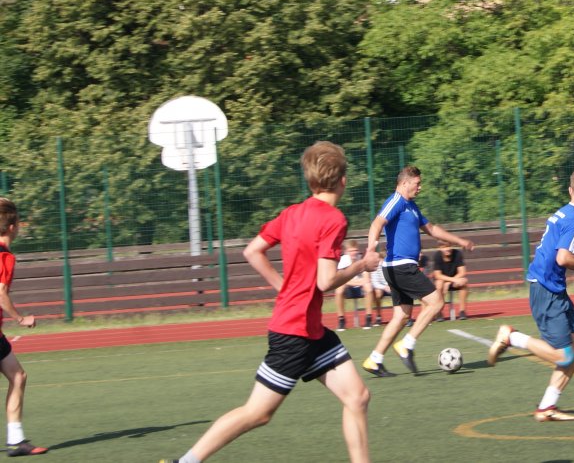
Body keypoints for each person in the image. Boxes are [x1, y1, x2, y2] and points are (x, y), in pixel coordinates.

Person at [161, 141, 380, 463]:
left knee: (357, 397)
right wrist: (362, 265)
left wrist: (283, 287)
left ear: (310, 180)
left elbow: (252, 251)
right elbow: (325, 281)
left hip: (311, 331)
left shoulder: (291, 213)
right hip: (294, 334)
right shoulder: (334, 220)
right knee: (258, 413)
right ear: (343, 180)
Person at [487, 168, 574, 422]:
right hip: (546, 289)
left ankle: (547, 407)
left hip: (554, 288)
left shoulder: (562, 212)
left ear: (570, 190)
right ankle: (511, 337)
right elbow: (562, 258)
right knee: (565, 355)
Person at [360, 166, 475, 377]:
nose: (420, 187)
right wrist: (370, 250)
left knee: (402, 315)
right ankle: (407, 344)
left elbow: (432, 229)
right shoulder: (396, 201)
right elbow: (377, 224)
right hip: (400, 266)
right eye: (417, 183)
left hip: (398, 267)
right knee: (436, 302)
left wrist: (459, 241)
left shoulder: (411, 206)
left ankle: (374, 359)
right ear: (404, 183)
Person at [0, 198, 47, 457]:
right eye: (18, 223)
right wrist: (20, 319)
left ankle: (16, 441)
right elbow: (0, 293)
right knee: (17, 376)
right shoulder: (5, 257)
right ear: (12, 227)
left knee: (18, 376)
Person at [429, 242, 469, 320]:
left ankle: (462, 311)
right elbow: (438, 275)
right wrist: (450, 281)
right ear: (440, 248)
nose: (447, 249)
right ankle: (439, 312)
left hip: (454, 280)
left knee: (464, 281)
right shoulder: (437, 255)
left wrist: (449, 282)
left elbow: (462, 272)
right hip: (442, 281)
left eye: (449, 246)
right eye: (444, 247)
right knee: (439, 284)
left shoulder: (457, 253)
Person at [335, 239, 366, 331]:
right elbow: (340, 279)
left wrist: (361, 282)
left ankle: (369, 318)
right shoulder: (343, 260)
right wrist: (357, 282)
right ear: (346, 252)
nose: (353, 253)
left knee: (369, 288)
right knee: (339, 290)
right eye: (351, 251)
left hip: (360, 287)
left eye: (355, 250)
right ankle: (341, 319)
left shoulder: (362, 259)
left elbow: (367, 279)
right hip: (349, 287)